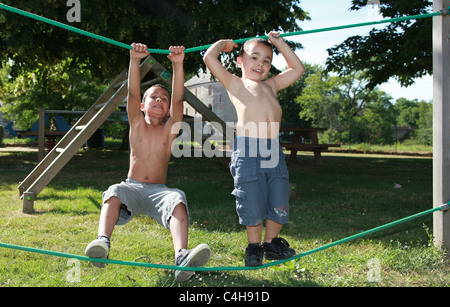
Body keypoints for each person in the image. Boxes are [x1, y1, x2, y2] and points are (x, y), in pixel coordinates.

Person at [85, 43, 210, 282]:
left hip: (158, 192)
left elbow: (179, 98)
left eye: (164, 99)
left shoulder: (169, 130)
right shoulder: (137, 123)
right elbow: (132, 92)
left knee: (178, 199)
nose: (160, 100)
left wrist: (178, 64)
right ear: (142, 105)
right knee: (114, 192)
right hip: (131, 187)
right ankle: (103, 242)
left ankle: (181, 256)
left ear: (168, 110)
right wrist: (134, 60)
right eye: (154, 96)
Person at [203, 32, 305, 266]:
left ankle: (270, 243)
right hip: (248, 150)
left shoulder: (272, 85)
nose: (260, 63)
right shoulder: (235, 84)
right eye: (254, 57)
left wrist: (280, 44)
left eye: (267, 60)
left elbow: (297, 68)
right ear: (240, 61)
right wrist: (222, 43)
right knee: (252, 197)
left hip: (273, 150)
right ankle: (253, 247)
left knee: (278, 195)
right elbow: (210, 58)